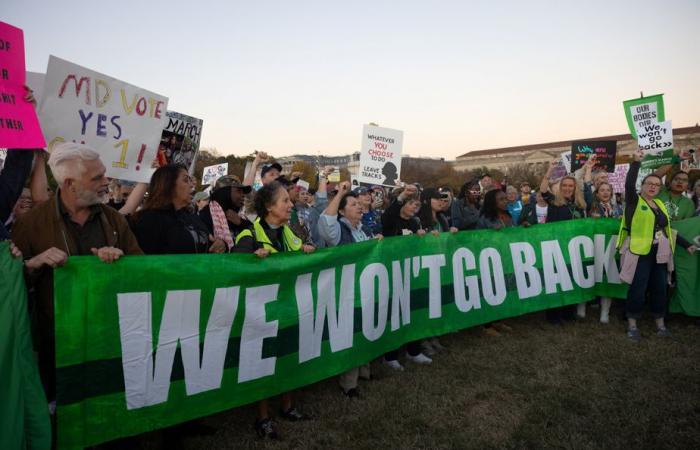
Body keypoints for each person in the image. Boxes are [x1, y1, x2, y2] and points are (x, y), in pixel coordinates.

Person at [12, 143, 143, 402]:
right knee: (63, 412)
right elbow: (11, 285)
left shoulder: (115, 220)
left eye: (104, 173)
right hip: (58, 344)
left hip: (108, 336)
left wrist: (121, 261)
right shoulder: (31, 223)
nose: (106, 181)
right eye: (97, 177)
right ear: (70, 184)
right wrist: (32, 265)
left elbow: (142, 268)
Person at [234, 181, 314, 439]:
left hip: (290, 309)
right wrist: (250, 260)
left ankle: (288, 406)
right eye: (285, 201)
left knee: (289, 354)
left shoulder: (292, 234)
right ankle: (263, 417)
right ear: (269, 207)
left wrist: (307, 252)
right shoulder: (249, 235)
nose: (291, 204)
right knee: (263, 362)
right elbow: (233, 267)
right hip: (261, 313)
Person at [617, 149, 697, 341]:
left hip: (660, 253)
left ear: (660, 189)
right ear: (642, 186)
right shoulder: (634, 202)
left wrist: (686, 245)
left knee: (660, 288)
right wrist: (636, 162)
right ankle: (632, 324)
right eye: (649, 184)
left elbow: (668, 230)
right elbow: (629, 184)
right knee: (638, 288)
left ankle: (660, 324)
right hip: (640, 252)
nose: (653, 187)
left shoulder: (660, 205)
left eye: (656, 185)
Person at [318, 181, 381, 398]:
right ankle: (349, 384)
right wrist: (341, 193)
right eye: (353, 204)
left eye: (359, 204)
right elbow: (326, 221)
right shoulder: (338, 231)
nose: (360, 207)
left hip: (365, 290)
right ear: (343, 211)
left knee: (366, 330)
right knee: (351, 334)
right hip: (346, 292)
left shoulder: (364, 229)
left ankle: (365, 371)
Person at [380, 183, 433, 370]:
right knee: (394, 314)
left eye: (418, 206)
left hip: (411, 272)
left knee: (414, 312)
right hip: (392, 274)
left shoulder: (415, 223)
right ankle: (390, 355)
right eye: (412, 204)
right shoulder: (391, 220)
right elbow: (389, 214)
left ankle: (414, 351)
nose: (415, 208)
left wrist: (425, 237)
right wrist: (402, 195)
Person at [130, 164, 228, 255]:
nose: (192, 185)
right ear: (169, 185)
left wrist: (222, 245)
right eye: (186, 180)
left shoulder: (192, 217)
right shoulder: (150, 220)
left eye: (190, 180)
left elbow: (209, 244)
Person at [540, 159, 587, 324]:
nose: (567, 188)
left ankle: (569, 313)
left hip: (573, 250)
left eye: (570, 186)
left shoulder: (579, 206)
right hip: (555, 249)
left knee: (571, 281)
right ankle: (554, 316)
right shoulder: (554, 202)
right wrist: (550, 170)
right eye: (564, 185)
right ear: (560, 188)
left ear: (575, 188)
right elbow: (543, 190)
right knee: (556, 282)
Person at [417, 188, 457, 352]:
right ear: (427, 201)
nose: (441, 202)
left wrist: (452, 234)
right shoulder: (419, 220)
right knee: (427, 304)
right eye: (436, 199)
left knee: (438, 302)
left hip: (441, 265)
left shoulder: (442, 219)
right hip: (426, 268)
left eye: (442, 199)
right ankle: (423, 339)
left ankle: (434, 335)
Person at [588, 181, 623, 323]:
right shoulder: (591, 208)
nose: (605, 192)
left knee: (609, 276)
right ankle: (583, 307)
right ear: (597, 193)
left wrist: (621, 220)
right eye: (602, 190)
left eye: (608, 190)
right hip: (595, 247)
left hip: (612, 248)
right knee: (592, 275)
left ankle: (605, 312)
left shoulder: (619, 208)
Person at [198, 175, 253, 249]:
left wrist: (241, 222)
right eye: (239, 191)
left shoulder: (240, 216)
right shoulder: (205, 215)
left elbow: (257, 236)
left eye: (243, 192)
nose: (243, 195)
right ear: (224, 192)